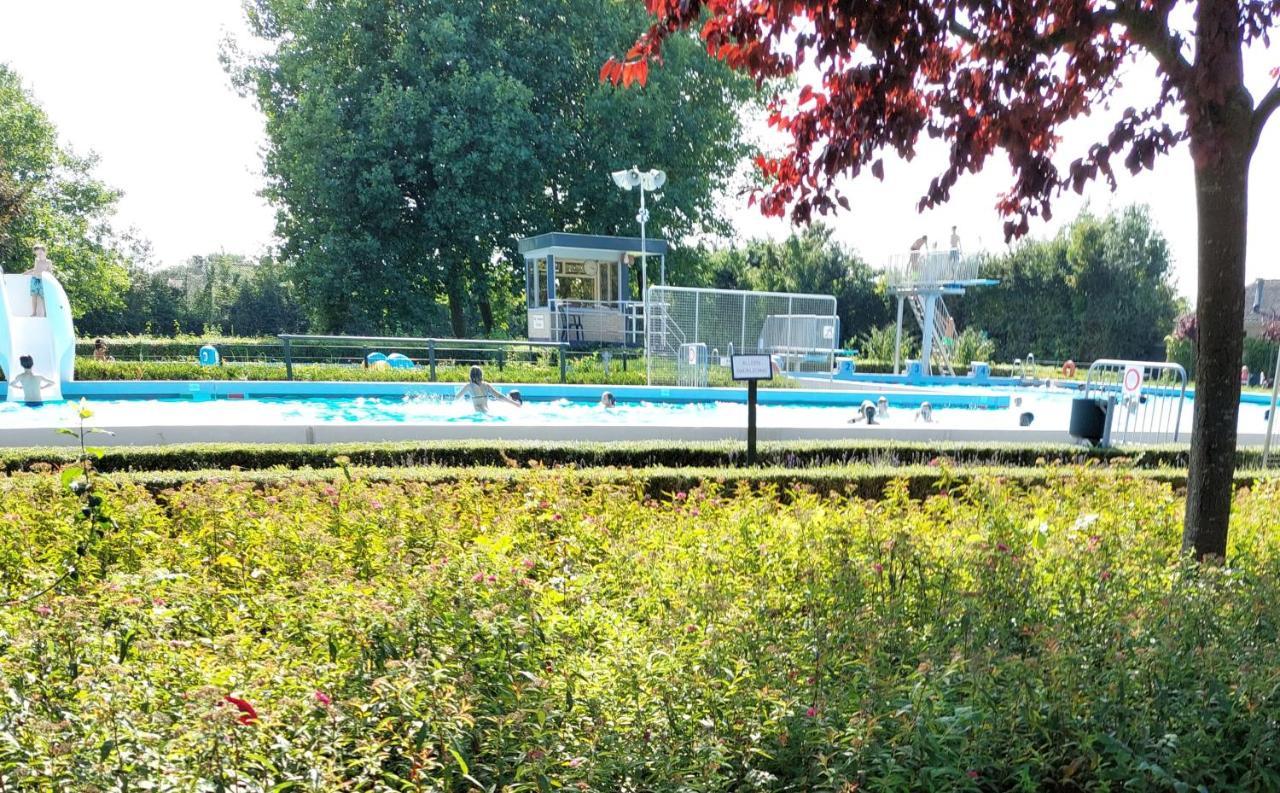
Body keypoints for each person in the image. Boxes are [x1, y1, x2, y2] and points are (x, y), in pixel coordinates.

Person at [455, 365, 520, 413]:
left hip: (479, 413)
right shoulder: (486, 385)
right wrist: (514, 403)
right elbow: (500, 396)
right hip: (487, 411)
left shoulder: (469, 386)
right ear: (481, 375)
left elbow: (457, 398)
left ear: (471, 376)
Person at [25, 245, 54, 317]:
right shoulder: (36, 260)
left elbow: (50, 271)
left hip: (42, 280)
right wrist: (26, 272)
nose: (39, 255)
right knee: (34, 296)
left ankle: (46, 313)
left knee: (43, 297)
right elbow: (35, 269)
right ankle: (34, 312)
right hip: (34, 279)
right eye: (37, 254)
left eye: (40, 253)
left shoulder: (48, 262)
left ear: (45, 252)